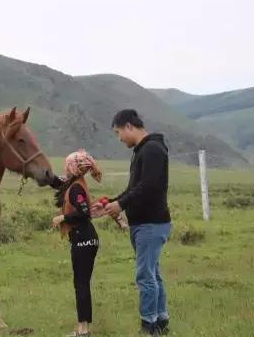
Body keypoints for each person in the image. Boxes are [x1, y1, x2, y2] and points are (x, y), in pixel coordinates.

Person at [101, 109, 172, 336]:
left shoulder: (151, 150)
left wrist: (121, 205)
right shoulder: (143, 150)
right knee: (153, 273)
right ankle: (161, 320)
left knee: (145, 276)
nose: (119, 138)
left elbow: (149, 186)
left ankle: (148, 325)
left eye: (118, 132)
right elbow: (135, 189)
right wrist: (113, 202)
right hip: (146, 223)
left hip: (150, 224)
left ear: (129, 127)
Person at [50, 150, 103, 337]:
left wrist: (62, 217)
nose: (65, 168)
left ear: (73, 167)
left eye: (67, 165)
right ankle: (82, 328)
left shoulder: (76, 189)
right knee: (81, 283)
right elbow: (58, 182)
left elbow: (84, 213)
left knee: (81, 284)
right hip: (83, 238)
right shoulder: (74, 183)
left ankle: (83, 330)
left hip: (84, 239)